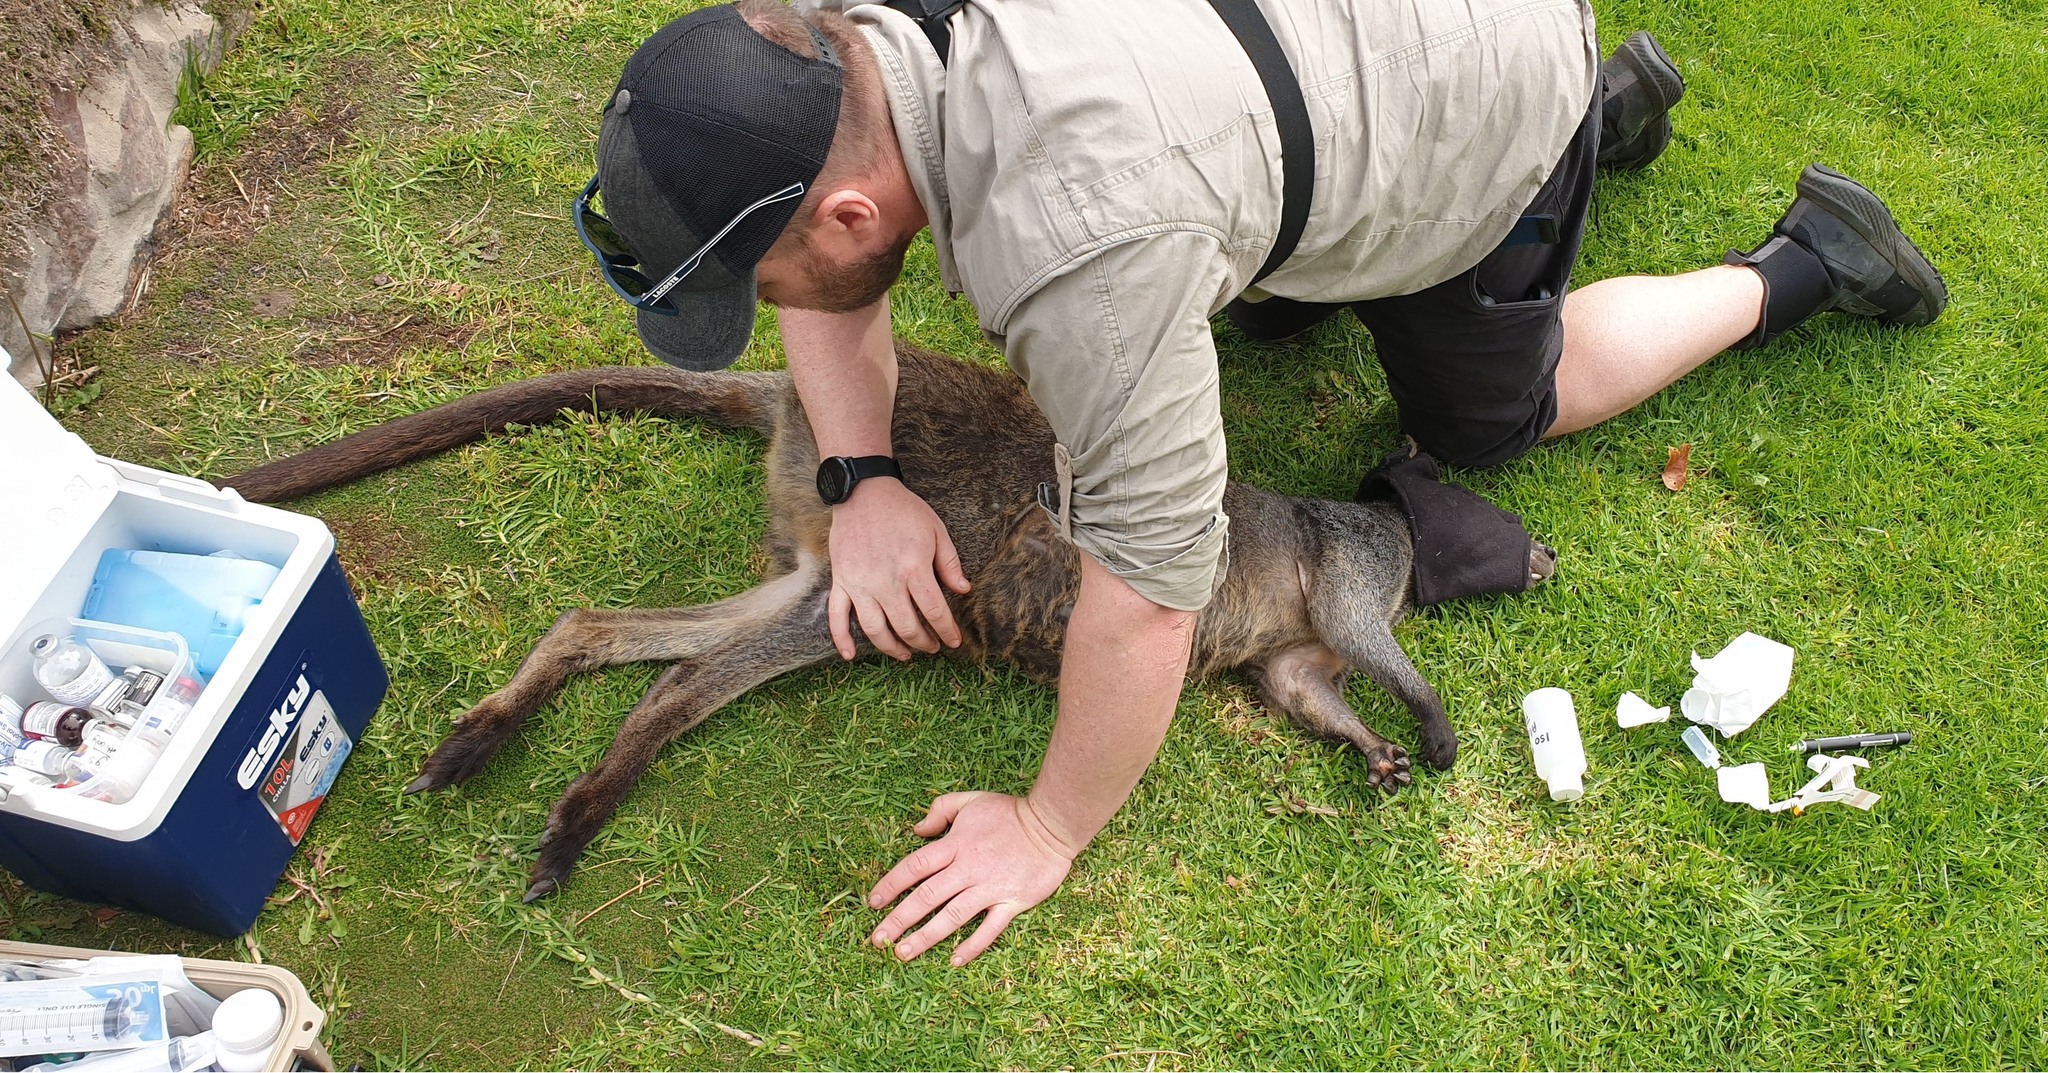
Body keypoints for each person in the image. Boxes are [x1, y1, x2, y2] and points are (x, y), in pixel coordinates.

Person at [571, 0, 1945, 966]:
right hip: (1289, 41)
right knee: (1254, 286)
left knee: (1500, 412)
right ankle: (1601, 110)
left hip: (1479, 70)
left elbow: (1154, 590)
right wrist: (859, 474)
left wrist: (1050, 823)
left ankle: (1793, 257)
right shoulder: (821, 48)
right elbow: (836, 260)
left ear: (850, 208)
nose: (778, 315)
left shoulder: (1082, 247)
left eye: (763, 283)